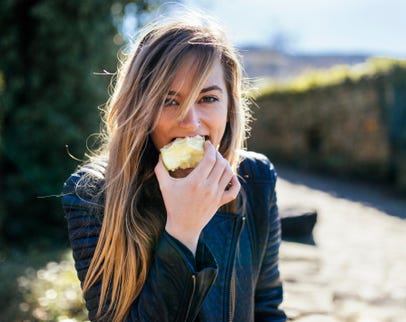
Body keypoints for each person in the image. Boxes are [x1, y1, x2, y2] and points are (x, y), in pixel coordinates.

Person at [62, 12, 286, 322]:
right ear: (139, 108)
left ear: (230, 107)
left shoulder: (257, 178)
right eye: (169, 101)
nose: (192, 123)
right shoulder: (92, 193)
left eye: (207, 98)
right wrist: (183, 230)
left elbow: (266, 310)